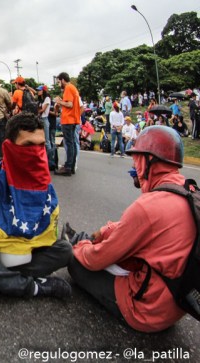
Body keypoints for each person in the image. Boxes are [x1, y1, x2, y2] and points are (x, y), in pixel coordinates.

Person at [67, 126, 196, 333]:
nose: (134, 166)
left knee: (76, 262)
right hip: (178, 303)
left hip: (146, 309)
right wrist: (108, 229)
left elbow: (97, 260)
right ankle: (81, 239)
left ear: (148, 160)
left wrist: (80, 248)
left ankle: (77, 240)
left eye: (136, 159)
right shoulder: (188, 190)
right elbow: (144, 229)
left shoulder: (148, 206)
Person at [0, 113, 73, 302]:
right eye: (28, 145)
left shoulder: (44, 185)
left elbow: (47, 234)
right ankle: (34, 287)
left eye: (41, 145)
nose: (36, 152)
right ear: (9, 147)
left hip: (28, 252)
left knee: (65, 250)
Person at [54, 72, 81, 176]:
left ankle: (68, 167)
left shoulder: (68, 88)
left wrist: (59, 101)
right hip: (73, 120)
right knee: (72, 143)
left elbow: (69, 104)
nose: (58, 84)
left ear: (63, 80)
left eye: (58, 82)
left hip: (68, 120)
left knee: (69, 144)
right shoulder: (73, 88)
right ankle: (71, 166)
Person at [37, 85, 54, 169]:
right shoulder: (40, 99)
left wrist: (37, 112)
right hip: (40, 119)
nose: (38, 92)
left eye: (39, 90)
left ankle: (50, 161)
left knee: (47, 141)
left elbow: (43, 109)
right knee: (41, 141)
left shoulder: (47, 98)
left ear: (43, 91)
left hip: (44, 119)